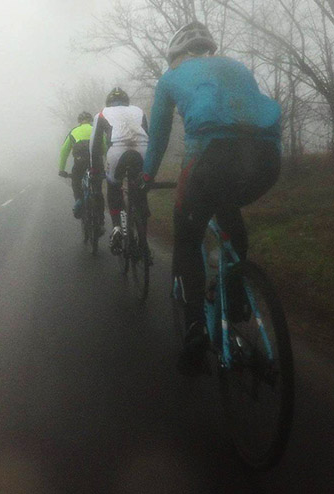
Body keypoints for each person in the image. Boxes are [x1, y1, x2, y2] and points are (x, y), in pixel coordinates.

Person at [142, 21, 282, 375]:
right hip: (266, 158)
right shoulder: (236, 66)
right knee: (227, 205)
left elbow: (158, 135)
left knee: (188, 240)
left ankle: (194, 330)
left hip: (212, 155)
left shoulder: (171, 77)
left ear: (176, 56)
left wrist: (147, 177)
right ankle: (235, 294)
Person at [90, 87, 150, 254]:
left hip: (117, 151)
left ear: (109, 102)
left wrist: (96, 170)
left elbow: (94, 146)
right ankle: (143, 236)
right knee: (140, 188)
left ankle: (117, 226)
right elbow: (148, 134)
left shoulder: (102, 113)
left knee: (113, 187)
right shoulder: (139, 111)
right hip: (143, 150)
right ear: (127, 102)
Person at [58, 111, 95, 218]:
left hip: (80, 162)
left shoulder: (74, 131)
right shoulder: (96, 130)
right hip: (94, 162)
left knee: (75, 180)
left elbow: (64, 152)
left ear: (79, 122)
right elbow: (105, 148)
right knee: (96, 185)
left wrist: (62, 169)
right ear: (91, 120)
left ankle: (79, 200)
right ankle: (100, 217)